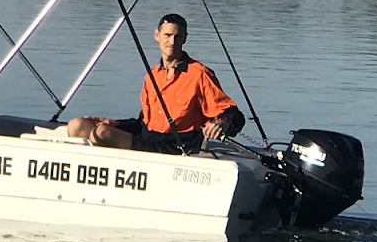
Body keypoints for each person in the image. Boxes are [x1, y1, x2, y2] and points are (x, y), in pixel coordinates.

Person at [67, 12, 245, 153]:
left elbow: (234, 115)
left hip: (176, 147)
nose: (172, 42)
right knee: (78, 125)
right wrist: (117, 123)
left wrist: (220, 124)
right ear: (157, 35)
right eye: (167, 35)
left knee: (102, 133)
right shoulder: (152, 75)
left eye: (177, 36)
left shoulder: (199, 74)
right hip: (148, 140)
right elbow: (144, 124)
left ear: (185, 39)